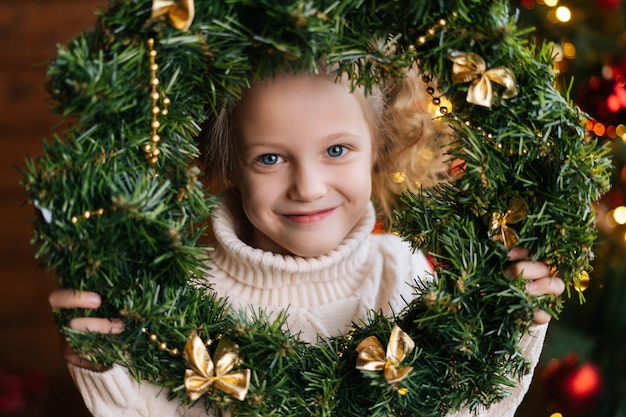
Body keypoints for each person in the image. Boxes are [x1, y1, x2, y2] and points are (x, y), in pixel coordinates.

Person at [48, 71, 564, 416]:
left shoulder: (400, 273)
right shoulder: (182, 294)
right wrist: (107, 361)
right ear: (229, 160)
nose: (309, 187)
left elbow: (457, 404)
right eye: (270, 158)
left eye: (336, 150)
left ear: (377, 150)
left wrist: (508, 324)